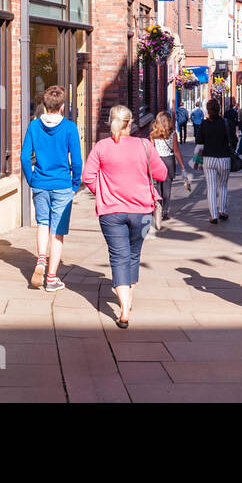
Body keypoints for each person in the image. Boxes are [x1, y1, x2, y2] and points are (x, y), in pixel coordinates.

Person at [81, 105, 167, 328]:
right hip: (142, 211)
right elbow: (162, 173)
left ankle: (124, 309)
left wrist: (102, 192)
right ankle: (128, 301)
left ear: (111, 122)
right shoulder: (144, 145)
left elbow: (87, 176)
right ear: (131, 124)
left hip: (111, 211)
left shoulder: (101, 147)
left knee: (119, 257)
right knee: (134, 254)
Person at [20, 85, 83, 292]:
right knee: (57, 232)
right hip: (62, 185)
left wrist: (32, 179)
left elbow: (24, 156)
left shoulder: (34, 126)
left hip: (40, 183)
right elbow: (77, 161)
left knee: (42, 224)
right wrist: (75, 184)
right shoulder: (69, 128)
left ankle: (40, 259)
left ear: (44, 105)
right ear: (62, 106)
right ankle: (52, 278)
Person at [195, 96, 234, 224]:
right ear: (219, 109)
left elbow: (198, 140)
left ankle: (214, 215)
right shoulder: (225, 123)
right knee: (223, 186)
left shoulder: (204, 124)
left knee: (211, 187)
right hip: (224, 158)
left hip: (209, 158)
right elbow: (234, 140)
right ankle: (222, 210)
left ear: (208, 110)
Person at [150, 110, 192, 224]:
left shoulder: (153, 134)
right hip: (169, 161)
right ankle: (165, 211)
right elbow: (177, 151)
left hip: (157, 161)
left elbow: (151, 151)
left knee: (158, 186)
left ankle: (158, 207)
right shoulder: (173, 134)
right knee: (167, 187)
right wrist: (183, 167)